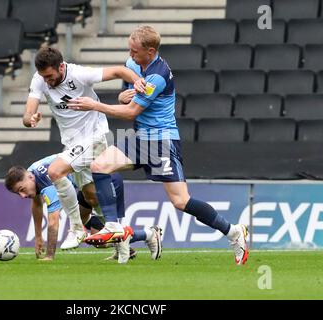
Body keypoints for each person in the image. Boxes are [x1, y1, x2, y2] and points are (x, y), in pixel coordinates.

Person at [68, 26, 249, 265]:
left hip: (161, 142)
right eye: (129, 50)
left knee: (181, 201)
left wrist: (95, 105)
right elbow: (125, 97)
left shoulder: (158, 75)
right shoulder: (133, 65)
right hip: (141, 137)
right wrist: (124, 95)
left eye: (134, 51)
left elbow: (131, 110)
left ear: (150, 51)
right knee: (100, 165)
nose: (130, 55)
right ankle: (112, 225)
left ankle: (233, 232)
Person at [24, 47, 144, 257]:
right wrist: (29, 119)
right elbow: (29, 110)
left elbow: (118, 71)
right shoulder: (40, 79)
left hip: (95, 136)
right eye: (44, 77)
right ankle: (133, 238)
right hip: (73, 144)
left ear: (61, 67)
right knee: (91, 197)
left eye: (50, 76)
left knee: (55, 172)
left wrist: (138, 81)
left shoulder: (79, 74)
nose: (48, 82)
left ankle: (76, 228)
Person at [4, 154, 162, 263]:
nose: (23, 196)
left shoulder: (44, 179)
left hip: (105, 182)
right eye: (19, 193)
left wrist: (49, 255)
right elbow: (37, 204)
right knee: (82, 221)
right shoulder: (31, 172)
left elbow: (53, 220)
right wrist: (38, 236)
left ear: (30, 177)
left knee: (100, 239)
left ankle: (148, 234)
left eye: (22, 189)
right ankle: (123, 245)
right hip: (87, 188)